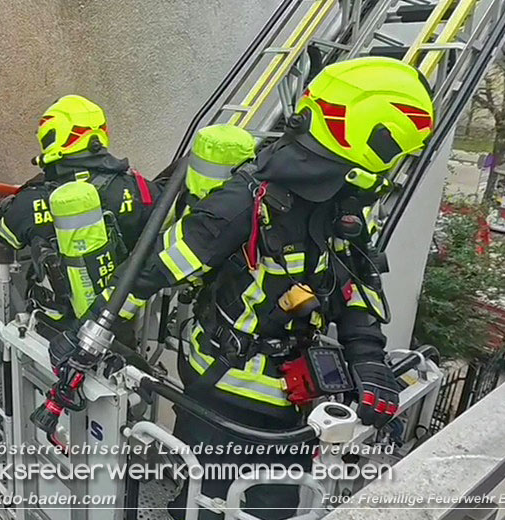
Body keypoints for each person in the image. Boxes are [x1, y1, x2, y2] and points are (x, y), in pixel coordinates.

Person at [55, 56, 435, 519]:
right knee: (215, 507)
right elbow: (153, 272)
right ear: (372, 136)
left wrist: (369, 358)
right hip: (223, 390)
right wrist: (89, 337)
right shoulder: (246, 200)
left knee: (265, 503)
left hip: (293, 400)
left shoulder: (344, 205)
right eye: (398, 148)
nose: (397, 162)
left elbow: (354, 290)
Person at [0, 95, 161, 323]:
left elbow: (5, 233)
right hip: (121, 324)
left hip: (50, 331)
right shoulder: (139, 188)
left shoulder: (36, 198)